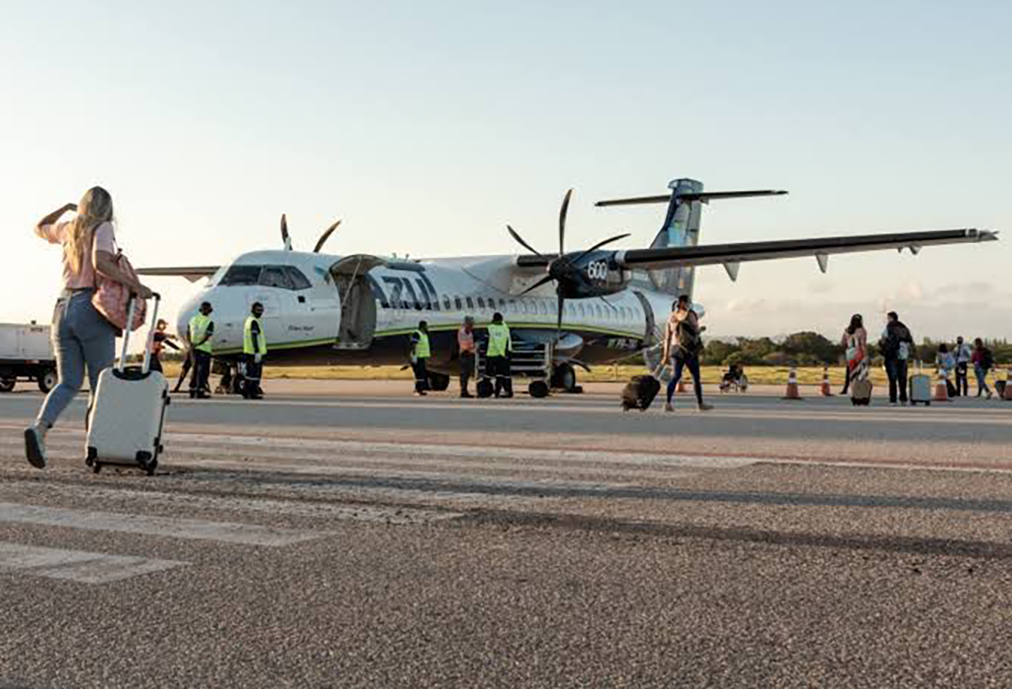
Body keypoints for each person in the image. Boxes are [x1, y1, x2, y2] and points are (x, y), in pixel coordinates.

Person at [24, 187, 154, 469]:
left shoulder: (68, 228)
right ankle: (95, 447)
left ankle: (39, 428)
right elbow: (101, 263)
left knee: (68, 382)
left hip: (62, 307)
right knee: (100, 385)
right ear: (107, 208)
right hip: (90, 307)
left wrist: (64, 208)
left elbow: (39, 227)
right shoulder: (102, 227)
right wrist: (135, 285)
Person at [661, 295, 712, 412]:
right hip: (689, 350)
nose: (689, 304)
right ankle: (700, 404)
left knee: (675, 376)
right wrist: (701, 329)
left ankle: (667, 403)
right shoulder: (690, 314)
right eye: (688, 302)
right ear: (683, 303)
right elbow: (696, 330)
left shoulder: (671, 317)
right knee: (695, 377)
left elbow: (667, 338)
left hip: (675, 350)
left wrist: (665, 355)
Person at [879, 311, 914, 405]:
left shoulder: (889, 327)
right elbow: (910, 341)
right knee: (902, 378)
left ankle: (893, 400)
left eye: (888, 318)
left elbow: (883, 338)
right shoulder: (904, 328)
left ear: (891, 318)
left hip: (892, 355)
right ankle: (903, 399)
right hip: (903, 355)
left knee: (892, 379)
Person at [188, 301, 215, 399]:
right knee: (203, 371)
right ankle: (200, 391)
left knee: (195, 370)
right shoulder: (209, 322)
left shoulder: (193, 319)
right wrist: (199, 343)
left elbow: (188, 332)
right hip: (204, 349)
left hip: (193, 349)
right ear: (210, 311)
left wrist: (191, 343)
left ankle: (192, 391)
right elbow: (207, 335)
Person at [242, 302, 267, 399]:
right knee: (255, 374)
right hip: (254, 353)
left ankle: (247, 392)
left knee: (249, 374)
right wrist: (257, 352)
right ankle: (253, 392)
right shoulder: (253, 322)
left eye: (261, 310)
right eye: (258, 310)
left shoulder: (249, 320)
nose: (260, 312)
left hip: (249, 351)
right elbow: (254, 337)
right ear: (252, 310)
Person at [486, 312, 513, 398]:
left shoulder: (490, 328)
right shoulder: (505, 328)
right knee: (502, 375)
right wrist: (509, 352)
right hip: (503, 354)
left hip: (491, 354)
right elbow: (508, 341)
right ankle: (502, 392)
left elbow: (487, 341)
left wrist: (483, 351)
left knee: (488, 374)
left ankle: (485, 391)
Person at [844, 314, 868, 387]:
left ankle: (848, 387)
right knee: (860, 371)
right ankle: (858, 388)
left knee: (850, 370)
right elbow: (863, 344)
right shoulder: (862, 331)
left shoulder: (847, 330)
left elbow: (842, 342)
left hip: (849, 351)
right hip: (858, 351)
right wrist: (866, 354)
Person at [410, 320, 431, 396]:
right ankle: (417, 390)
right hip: (417, 357)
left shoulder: (424, 334)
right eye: (426, 326)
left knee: (422, 374)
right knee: (419, 374)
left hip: (421, 357)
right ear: (422, 326)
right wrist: (414, 356)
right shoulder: (417, 334)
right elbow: (413, 345)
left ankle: (420, 389)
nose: (427, 327)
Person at [457, 316, 476, 398]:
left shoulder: (469, 332)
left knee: (467, 373)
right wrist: (473, 347)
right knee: (464, 373)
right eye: (471, 324)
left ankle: (464, 390)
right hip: (465, 354)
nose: (472, 326)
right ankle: (463, 391)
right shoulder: (463, 332)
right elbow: (464, 345)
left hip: (469, 353)